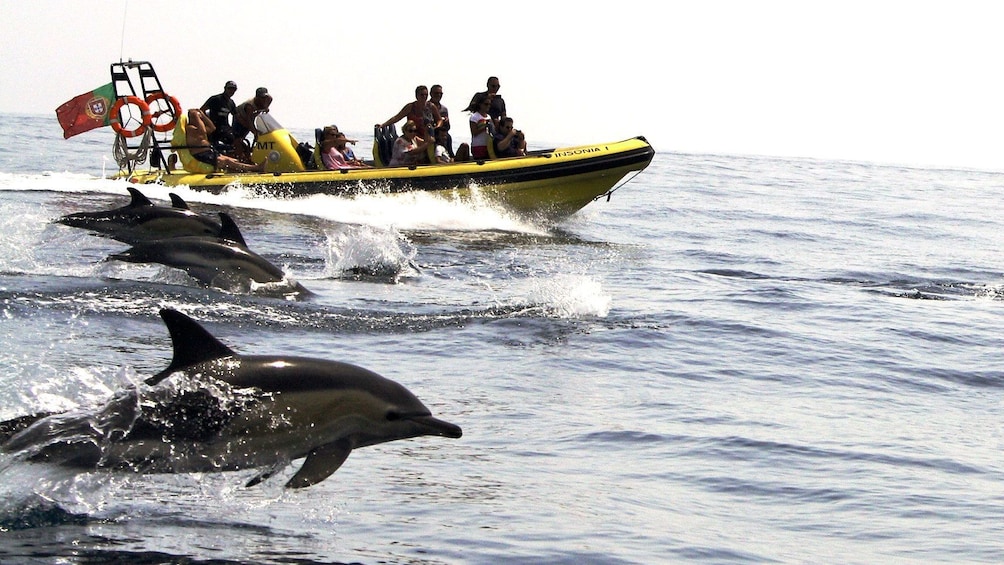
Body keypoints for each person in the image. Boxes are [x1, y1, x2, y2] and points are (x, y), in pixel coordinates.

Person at [185, 109, 264, 173]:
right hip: (201, 155)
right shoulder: (190, 128)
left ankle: (240, 170)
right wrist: (196, 115)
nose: (200, 118)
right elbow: (203, 131)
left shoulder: (198, 128)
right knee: (226, 161)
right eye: (197, 117)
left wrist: (203, 115)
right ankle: (256, 168)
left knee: (233, 160)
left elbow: (212, 128)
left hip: (209, 152)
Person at [377, 85, 443, 140]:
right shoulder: (410, 107)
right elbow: (396, 117)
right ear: (417, 96)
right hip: (413, 136)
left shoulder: (431, 106)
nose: (424, 97)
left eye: (426, 95)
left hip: (428, 136)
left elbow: (439, 120)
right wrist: (383, 125)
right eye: (422, 95)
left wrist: (437, 127)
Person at [199, 81, 237, 150]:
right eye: (230, 88)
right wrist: (207, 122)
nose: (231, 91)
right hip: (214, 127)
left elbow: (235, 115)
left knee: (234, 141)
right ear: (225, 88)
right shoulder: (215, 99)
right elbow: (202, 110)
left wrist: (233, 127)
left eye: (234, 89)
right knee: (214, 145)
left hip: (225, 128)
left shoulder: (231, 103)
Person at [429, 84, 453, 157]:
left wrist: (446, 121)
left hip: (442, 133)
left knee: (448, 137)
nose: (438, 95)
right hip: (431, 132)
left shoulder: (444, 109)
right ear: (431, 94)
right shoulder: (427, 107)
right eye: (436, 93)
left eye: (440, 93)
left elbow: (448, 127)